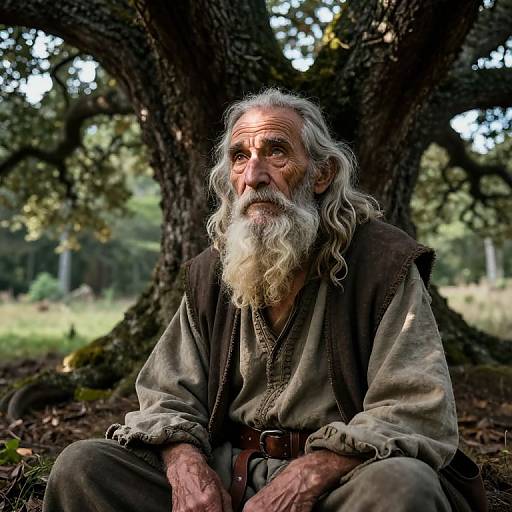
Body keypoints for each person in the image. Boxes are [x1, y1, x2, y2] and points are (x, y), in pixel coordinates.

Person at [43, 89, 485, 512]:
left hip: (343, 479)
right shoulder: (213, 271)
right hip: (226, 474)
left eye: (276, 152)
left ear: (321, 174)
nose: (255, 176)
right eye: (240, 157)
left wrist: (309, 474)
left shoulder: (382, 263)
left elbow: (415, 406)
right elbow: (167, 395)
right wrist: (186, 466)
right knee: (82, 468)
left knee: (402, 486)